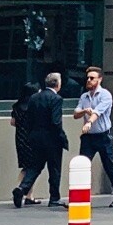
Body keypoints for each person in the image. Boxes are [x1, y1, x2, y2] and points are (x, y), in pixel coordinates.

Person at [11, 72, 68, 209]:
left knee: (35, 167)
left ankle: (22, 188)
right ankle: (54, 198)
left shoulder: (34, 98)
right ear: (58, 84)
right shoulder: (56, 99)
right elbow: (56, 122)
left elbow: (29, 119)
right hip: (52, 139)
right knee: (54, 169)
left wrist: (31, 135)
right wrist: (62, 137)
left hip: (35, 138)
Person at [72, 65, 113, 207]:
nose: (88, 80)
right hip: (88, 138)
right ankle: (78, 198)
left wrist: (89, 122)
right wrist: (84, 111)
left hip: (103, 136)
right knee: (82, 166)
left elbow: (98, 112)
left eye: (92, 78)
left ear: (99, 79)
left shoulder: (105, 95)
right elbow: (76, 113)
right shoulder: (84, 96)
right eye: (87, 78)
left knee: (109, 166)